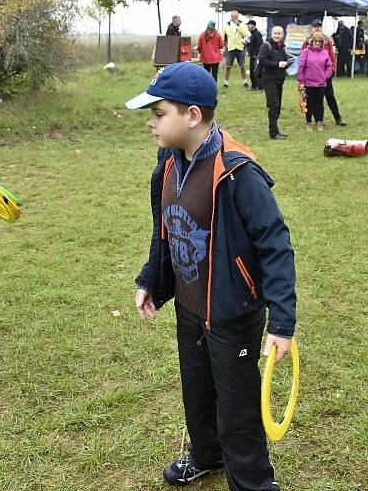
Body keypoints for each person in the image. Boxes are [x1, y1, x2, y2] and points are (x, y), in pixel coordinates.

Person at [126, 61, 296, 491]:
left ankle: (254, 484)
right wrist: (151, 277)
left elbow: (275, 244)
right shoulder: (167, 163)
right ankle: (206, 456)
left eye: (159, 113)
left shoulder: (238, 172)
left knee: (237, 409)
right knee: (197, 392)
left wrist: (282, 323)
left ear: (193, 116)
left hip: (231, 312)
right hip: (189, 306)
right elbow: (165, 228)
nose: (151, 122)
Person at [301, 19, 346, 126]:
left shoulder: (327, 41)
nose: (317, 28)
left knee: (330, 96)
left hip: (325, 75)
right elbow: (302, 57)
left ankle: (338, 118)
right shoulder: (307, 41)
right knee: (311, 99)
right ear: (312, 28)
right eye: (315, 26)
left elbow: (332, 56)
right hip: (311, 77)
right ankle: (314, 120)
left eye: (319, 26)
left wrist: (331, 70)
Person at [297, 32, 334, 131]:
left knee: (319, 103)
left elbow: (329, 67)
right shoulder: (305, 52)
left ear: (322, 43)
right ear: (311, 41)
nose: (317, 43)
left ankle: (319, 122)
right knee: (309, 103)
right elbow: (301, 67)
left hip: (321, 83)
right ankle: (309, 122)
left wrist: (325, 76)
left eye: (319, 42)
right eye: (315, 41)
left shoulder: (325, 53)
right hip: (308, 83)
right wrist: (301, 81)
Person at [258, 25, 289, 140]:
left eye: (279, 34)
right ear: (271, 34)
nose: (276, 36)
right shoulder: (266, 46)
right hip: (269, 80)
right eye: (275, 33)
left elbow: (283, 60)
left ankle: (276, 131)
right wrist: (277, 64)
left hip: (279, 80)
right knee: (274, 106)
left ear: (282, 35)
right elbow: (262, 60)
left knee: (278, 106)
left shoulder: (282, 47)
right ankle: (273, 133)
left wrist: (286, 64)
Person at [222, 10, 249, 88]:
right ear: (231, 17)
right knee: (228, 66)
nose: (235, 18)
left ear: (238, 16)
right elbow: (223, 37)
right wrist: (223, 47)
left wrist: (238, 25)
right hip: (230, 48)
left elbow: (246, 34)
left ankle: (245, 82)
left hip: (240, 48)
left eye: (236, 16)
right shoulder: (226, 25)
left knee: (242, 66)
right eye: (233, 16)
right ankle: (226, 83)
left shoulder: (242, 24)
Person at [246, 20, 264, 91]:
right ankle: (253, 86)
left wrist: (256, 55)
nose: (247, 26)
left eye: (248, 25)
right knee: (252, 71)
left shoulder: (257, 33)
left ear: (253, 25)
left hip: (256, 56)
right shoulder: (253, 34)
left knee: (256, 71)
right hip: (252, 56)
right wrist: (247, 44)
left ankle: (259, 87)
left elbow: (260, 45)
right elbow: (253, 45)